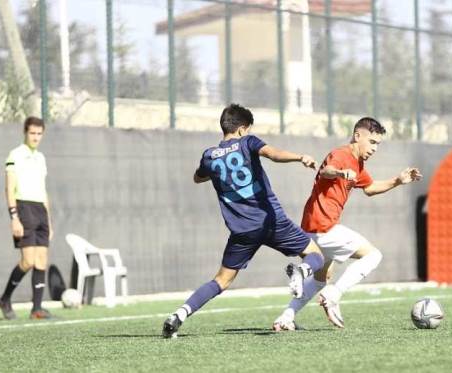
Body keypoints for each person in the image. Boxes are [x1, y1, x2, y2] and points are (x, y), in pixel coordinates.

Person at [162, 104, 325, 338]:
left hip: (242, 231)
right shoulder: (248, 143)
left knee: (221, 280)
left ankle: (178, 315)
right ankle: (302, 271)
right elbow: (273, 154)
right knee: (316, 255)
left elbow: (198, 178)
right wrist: (300, 157)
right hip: (271, 221)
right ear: (241, 129)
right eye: (248, 130)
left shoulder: (209, 156)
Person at [271, 117, 422, 331]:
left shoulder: (358, 164)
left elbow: (370, 188)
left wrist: (397, 181)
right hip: (324, 227)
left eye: (378, 144)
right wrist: (341, 172)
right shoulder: (341, 155)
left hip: (314, 229)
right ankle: (333, 294)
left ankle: (286, 317)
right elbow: (326, 171)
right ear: (357, 136)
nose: (375, 148)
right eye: (372, 142)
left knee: (322, 278)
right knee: (373, 255)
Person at [0, 117, 53, 320]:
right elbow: (9, 188)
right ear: (25, 132)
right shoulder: (15, 155)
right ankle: (5, 299)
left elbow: (44, 191)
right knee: (28, 261)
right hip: (24, 208)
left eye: (39, 134)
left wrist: (49, 220)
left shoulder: (41, 158)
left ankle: (36, 309)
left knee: (41, 261)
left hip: (40, 211)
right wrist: (14, 217)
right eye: (32, 133)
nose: (35, 137)